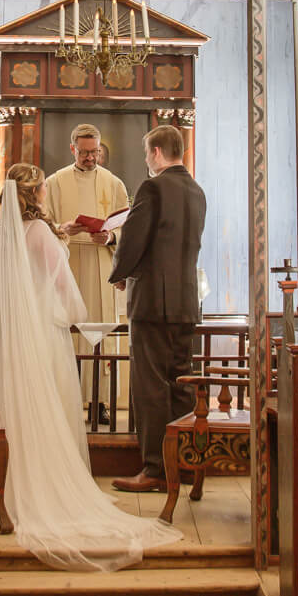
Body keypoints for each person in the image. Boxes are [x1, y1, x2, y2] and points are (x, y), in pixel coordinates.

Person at [0, 164, 180, 570]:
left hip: (8, 341)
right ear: (35, 194)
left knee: (18, 408)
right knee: (47, 407)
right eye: (42, 189)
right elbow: (69, 298)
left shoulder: (0, 234)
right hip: (42, 339)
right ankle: (46, 479)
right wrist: (75, 313)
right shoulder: (42, 235)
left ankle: (12, 479)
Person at [107, 125, 206, 493]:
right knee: (181, 385)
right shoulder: (197, 191)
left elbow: (134, 238)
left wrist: (119, 273)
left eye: (148, 152)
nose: (147, 159)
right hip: (186, 302)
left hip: (151, 304)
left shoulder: (153, 187)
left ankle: (154, 470)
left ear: (157, 152)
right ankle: (184, 465)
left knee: (149, 387)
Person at [46, 123, 129, 418]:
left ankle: (99, 402)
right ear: (73, 149)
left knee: (100, 332)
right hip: (67, 264)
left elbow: (127, 226)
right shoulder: (55, 183)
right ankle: (64, 402)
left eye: (94, 152)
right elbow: (42, 223)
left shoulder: (114, 184)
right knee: (67, 331)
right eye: (83, 152)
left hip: (101, 263)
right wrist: (62, 228)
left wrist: (110, 237)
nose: (90, 157)